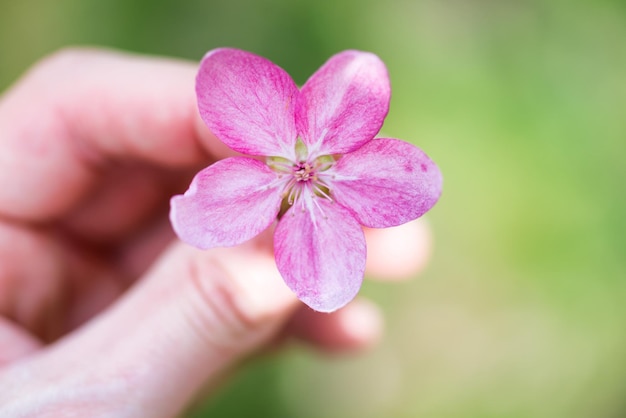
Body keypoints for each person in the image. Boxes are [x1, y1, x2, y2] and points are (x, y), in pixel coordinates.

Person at [0, 48, 432, 416]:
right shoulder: (258, 177)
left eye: (312, 167)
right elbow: (225, 81)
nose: (305, 168)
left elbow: (366, 88)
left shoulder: (349, 165)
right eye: (301, 167)